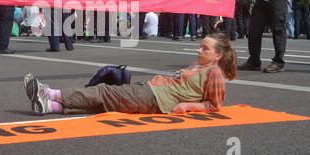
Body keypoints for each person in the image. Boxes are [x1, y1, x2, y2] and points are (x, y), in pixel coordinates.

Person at [24, 33, 236, 115]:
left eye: (205, 49)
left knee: (104, 92)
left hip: (157, 98)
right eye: (200, 46)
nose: (199, 51)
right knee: (105, 104)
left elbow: (214, 105)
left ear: (217, 55)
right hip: (152, 91)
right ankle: (51, 107)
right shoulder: (199, 65)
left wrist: (187, 106)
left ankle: (51, 93)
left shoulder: (215, 73)